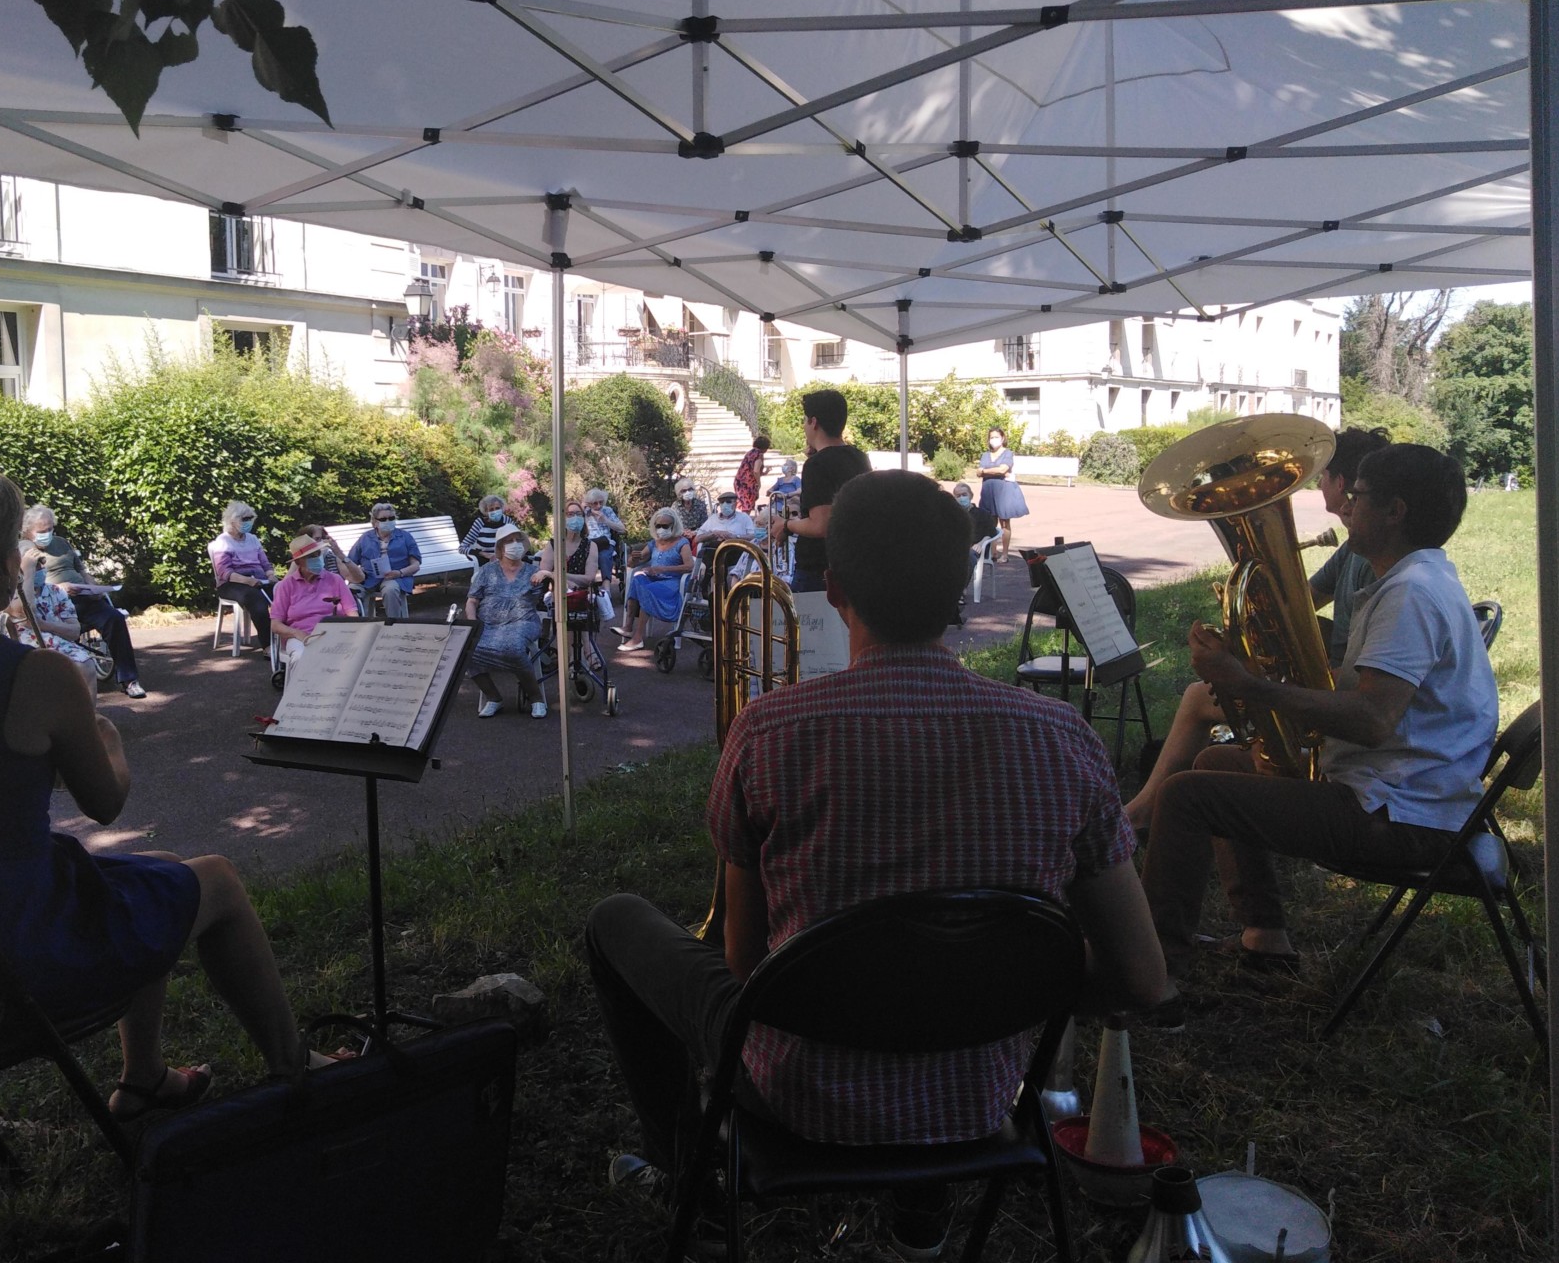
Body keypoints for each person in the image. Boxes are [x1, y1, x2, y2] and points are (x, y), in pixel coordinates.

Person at [586, 471, 1166, 1254]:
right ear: (961, 585)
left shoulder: (768, 731)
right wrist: (1001, 986)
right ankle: (920, 1218)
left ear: (836, 591)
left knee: (615, 921)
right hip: (977, 1097)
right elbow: (1138, 977)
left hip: (790, 1094)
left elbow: (745, 961)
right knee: (928, 977)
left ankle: (686, 1169)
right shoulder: (1063, 738)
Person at [0, 465, 320, 1123]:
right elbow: (105, 802)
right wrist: (106, 740)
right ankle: (294, 1067)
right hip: (8, 961)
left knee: (143, 881)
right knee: (216, 881)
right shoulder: (38, 673)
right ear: (5, 561)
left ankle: (145, 1078)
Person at [1138, 443, 1497, 984]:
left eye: (1357, 496)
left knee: (1186, 795)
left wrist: (1250, 684)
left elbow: (1373, 721)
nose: (1346, 507)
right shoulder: (1415, 580)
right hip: (1408, 797)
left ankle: (1153, 972)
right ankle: (1265, 936)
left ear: (1395, 511)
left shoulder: (1412, 594)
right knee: (1214, 761)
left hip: (1400, 815)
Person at [1126, 425, 1390, 832]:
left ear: (1341, 483)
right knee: (1215, 734)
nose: (1320, 484)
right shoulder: (1355, 548)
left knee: (1199, 697)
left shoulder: (1379, 562)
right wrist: (1242, 632)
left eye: (1324, 477)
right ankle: (1152, 810)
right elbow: (1297, 602)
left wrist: (1248, 675)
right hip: (1338, 683)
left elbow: (1367, 686)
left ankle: (1140, 813)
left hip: (1340, 694)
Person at [23, 504, 146, 699]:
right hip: (55, 602)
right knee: (62, 631)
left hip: (84, 596)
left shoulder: (62, 543)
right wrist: (60, 588)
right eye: (42, 531)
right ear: (28, 531)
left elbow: (82, 571)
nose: (47, 534)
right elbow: (28, 583)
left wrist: (94, 587)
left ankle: (129, 680)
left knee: (114, 618)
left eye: (50, 529)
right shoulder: (25, 550)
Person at [769, 388, 870, 594]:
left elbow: (821, 525)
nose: (804, 426)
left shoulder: (817, 465)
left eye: (805, 420)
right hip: (852, 562)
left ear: (813, 422)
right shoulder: (859, 457)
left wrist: (786, 525)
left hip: (817, 570)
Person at [464, 522, 554, 719]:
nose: (515, 545)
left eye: (518, 540)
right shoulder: (487, 571)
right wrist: (472, 623)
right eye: (509, 541)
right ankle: (494, 697)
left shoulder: (533, 572)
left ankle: (536, 698)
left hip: (524, 621)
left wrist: (548, 574)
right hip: (488, 624)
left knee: (512, 647)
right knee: (466, 649)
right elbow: (472, 601)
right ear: (500, 547)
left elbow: (564, 588)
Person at [6, 541, 100, 694]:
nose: (41, 568)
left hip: (54, 643)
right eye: (35, 565)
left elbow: (74, 631)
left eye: (41, 563)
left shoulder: (56, 592)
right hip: (22, 645)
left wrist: (44, 625)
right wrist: (27, 573)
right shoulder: (9, 592)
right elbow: (25, 611)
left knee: (86, 664)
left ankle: (87, 716)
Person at [270, 531, 360, 687]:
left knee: (350, 656)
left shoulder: (335, 580)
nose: (317, 559)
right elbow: (275, 625)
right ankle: (297, 701)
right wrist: (297, 633)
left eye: (318, 554)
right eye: (311, 556)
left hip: (334, 634)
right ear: (298, 563)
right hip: (300, 636)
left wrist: (351, 635)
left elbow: (353, 614)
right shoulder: (286, 585)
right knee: (300, 656)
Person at [617, 508, 694, 653]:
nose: (661, 529)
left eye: (665, 526)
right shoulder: (654, 542)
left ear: (674, 526)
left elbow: (690, 566)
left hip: (672, 583)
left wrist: (663, 569)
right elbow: (631, 564)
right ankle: (628, 626)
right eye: (658, 526)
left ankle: (637, 637)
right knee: (637, 578)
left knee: (648, 589)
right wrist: (634, 557)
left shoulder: (682, 543)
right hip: (654, 580)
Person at [210, 500, 275, 645]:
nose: (249, 522)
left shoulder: (253, 539)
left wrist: (271, 575)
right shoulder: (223, 541)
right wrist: (248, 581)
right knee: (256, 600)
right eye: (244, 519)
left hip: (259, 579)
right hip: (233, 583)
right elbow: (225, 573)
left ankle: (288, 639)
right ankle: (268, 646)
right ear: (232, 521)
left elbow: (265, 563)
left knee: (285, 591)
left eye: (250, 519)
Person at [347, 501, 422, 619]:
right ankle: (359, 627)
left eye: (391, 518)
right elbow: (351, 560)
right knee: (350, 591)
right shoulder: (365, 538)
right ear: (375, 522)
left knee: (390, 590)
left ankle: (394, 625)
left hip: (395, 577)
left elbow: (416, 565)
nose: (388, 521)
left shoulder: (405, 537)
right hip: (368, 578)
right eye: (383, 519)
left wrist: (400, 572)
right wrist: (355, 576)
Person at [976, 427, 1028, 561]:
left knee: (1004, 522)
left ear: (1002, 438)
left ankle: (1004, 554)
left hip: (1003, 492)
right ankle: (993, 552)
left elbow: (1002, 469)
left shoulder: (1007, 453)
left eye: (996, 437)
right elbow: (978, 472)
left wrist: (985, 471)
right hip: (988, 491)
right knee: (990, 522)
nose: (993, 440)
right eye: (991, 437)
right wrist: (993, 471)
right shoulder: (985, 455)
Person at [460, 494, 510, 567]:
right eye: (491, 509)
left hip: (506, 560)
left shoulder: (507, 521)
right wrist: (483, 554)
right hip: (485, 561)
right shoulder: (479, 523)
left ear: (502, 508)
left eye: (497, 508)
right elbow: (462, 548)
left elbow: (518, 540)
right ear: (486, 512)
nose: (495, 511)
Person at [733, 434, 772, 513]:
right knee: (747, 508)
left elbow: (750, 470)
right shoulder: (759, 455)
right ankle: (744, 524)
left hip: (739, 481)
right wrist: (759, 483)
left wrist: (765, 472)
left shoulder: (750, 453)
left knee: (742, 505)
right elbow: (756, 471)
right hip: (747, 484)